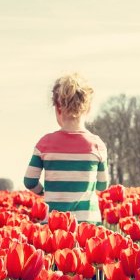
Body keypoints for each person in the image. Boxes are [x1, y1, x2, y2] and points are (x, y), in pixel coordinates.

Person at [23, 73, 109, 223]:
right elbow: (103, 185)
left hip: (53, 223)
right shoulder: (97, 145)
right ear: (88, 109)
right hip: (87, 222)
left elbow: (29, 181)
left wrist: (44, 191)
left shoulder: (45, 143)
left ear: (57, 108)